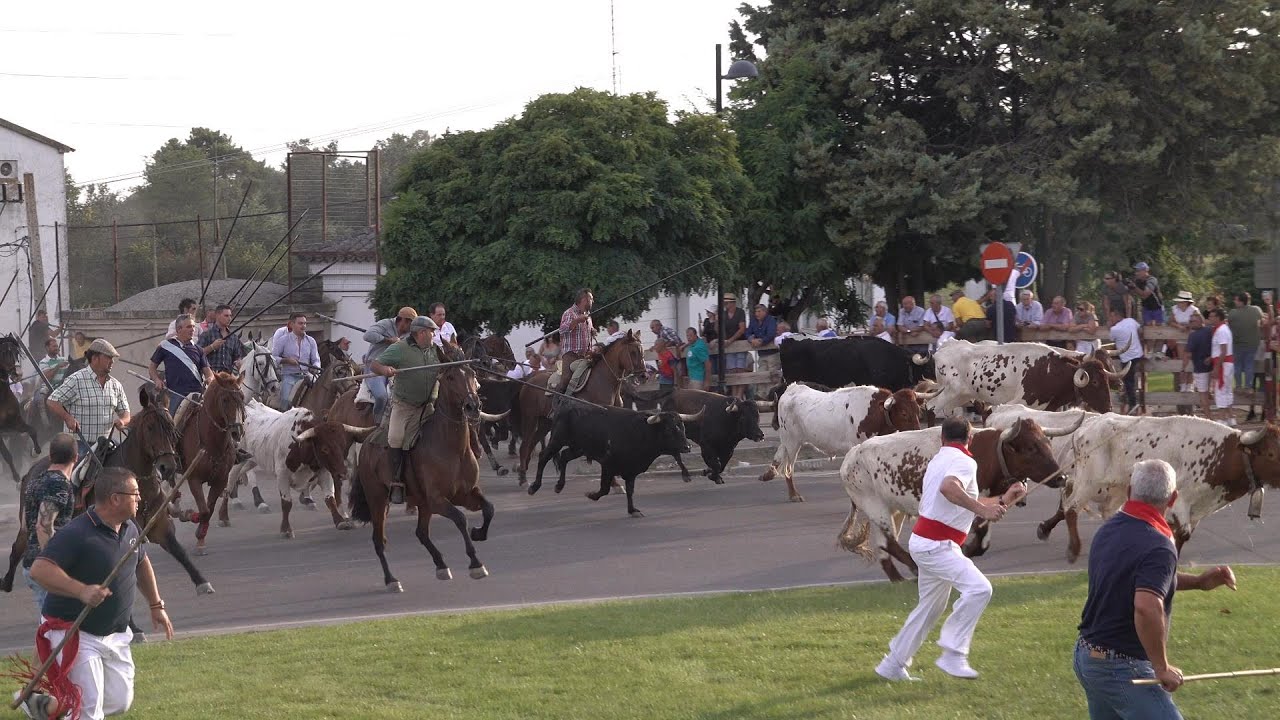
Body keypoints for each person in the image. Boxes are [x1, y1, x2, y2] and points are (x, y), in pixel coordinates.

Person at [1074, 459, 1237, 719]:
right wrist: (1161, 668)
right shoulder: (1158, 545)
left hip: (1088, 657)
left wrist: (1198, 582)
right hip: (1120, 667)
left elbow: (1137, 581)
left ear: (1129, 492)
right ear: (1172, 499)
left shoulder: (1108, 531)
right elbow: (1146, 606)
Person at [875, 417, 1026, 682]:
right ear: (970, 438)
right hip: (937, 545)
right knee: (980, 589)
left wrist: (1004, 499)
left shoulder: (940, 459)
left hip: (927, 542)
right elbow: (950, 489)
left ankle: (892, 664)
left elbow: (961, 497)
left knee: (930, 608)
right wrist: (984, 510)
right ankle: (953, 654)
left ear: (942, 438)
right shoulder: (964, 461)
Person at [19, 467, 174, 720]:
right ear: (115, 498)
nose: (140, 498)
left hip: (115, 635)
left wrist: (156, 605)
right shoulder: (77, 533)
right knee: (90, 710)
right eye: (135, 493)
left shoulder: (130, 528)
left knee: (119, 701)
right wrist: (81, 591)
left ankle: (41, 707)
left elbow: (141, 561)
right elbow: (39, 569)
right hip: (75, 632)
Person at [370, 315, 440, 505]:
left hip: (429, 406)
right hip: (405, 406)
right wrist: (385, 371)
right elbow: (375, 364)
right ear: (422, 333)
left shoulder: (436, 350)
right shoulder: (400, 349)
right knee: (395, 438)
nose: (434, 335)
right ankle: (396, 482)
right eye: (432, 332)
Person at [20, 433, 77, 620]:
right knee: (56, 626)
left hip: (31, 562)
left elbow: (24, 525)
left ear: (50, 456)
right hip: (45, 565)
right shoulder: (58, 484)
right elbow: (43, 526)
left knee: (50, 626)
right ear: (75, 458)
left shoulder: (35, 482)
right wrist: (54, 564)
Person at [46, 339, 130, 457]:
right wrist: (68, 418)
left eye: (113, 358)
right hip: (78, 445)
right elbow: (52, 401)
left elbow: (125, 413)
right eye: (108, 358)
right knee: (78, 474)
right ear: (95, 358)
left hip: (104, 445)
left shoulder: (116, 385)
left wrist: (122, 421)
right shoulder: (76, 380)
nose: (112, 362)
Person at [149, 314, 214, 415]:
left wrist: (209, 379)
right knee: (170, 425)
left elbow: (208, 373)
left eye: (193, 327)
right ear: (179, 329)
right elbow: (152, 367)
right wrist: (157, 380)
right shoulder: (165, 346)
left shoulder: (199, 350)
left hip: (196, 395)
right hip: (175, 394)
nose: (192, 329)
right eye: (189, 327)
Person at [361, 307, 417, 420]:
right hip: (375, 367)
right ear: (403, 321)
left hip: (396, 369)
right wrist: (388, 340)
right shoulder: (385, 324)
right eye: (411, 324)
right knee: (381, 396)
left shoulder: (409, 334)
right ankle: (377, 422)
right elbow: (367, 335)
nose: (412, 328)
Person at [272, 312, 321, 411]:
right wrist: (286, 360)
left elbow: (316, 360)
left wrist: (315, 367)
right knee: (285, 399)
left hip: (306, 375)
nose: (303, 326)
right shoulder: (282, 340)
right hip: (289, 375)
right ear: (291, 324)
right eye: (300, 323)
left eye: (305, 323)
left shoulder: (311, 341)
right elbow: (273, 358)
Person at [554, 289, 597, 394]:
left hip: (586, 355)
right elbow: (562, 330)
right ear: (584, 300)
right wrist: (577, 320)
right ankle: (559, 401)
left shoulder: (588, 315)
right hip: (571, 355)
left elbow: (586, 331)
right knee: (566, 379)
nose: (593, 301)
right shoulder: (569, 313)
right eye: (591, 299)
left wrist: (592, 331)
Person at [1108, 307, 1145, 415]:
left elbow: (1111, 339)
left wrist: (1109, 326)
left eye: (1111, 316)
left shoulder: (1114, 329)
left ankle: (1133, 405)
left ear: (1116, 316)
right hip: (1138, 354)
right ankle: (1137, 405)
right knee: (1134, 381)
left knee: (1129, 383)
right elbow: (1140, 330)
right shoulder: (1131, 321)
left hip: (1127, 358)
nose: (1110, 319)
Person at [1227, 292, 1264, 393]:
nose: (1234, 301)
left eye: (1236, 300)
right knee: (1249, 365)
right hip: (1252, 344)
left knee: (1237, 365)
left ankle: (1238, 386)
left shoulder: (1233, 313)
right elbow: (1263, 321)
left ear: (1241, 301)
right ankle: (1249, 387)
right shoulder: (1256, 310)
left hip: (1237, 344)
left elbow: (1228, 324)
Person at [196, 304, 244, 375]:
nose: (229, 318)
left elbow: (238, 357)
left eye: (230, 316)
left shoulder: (233, 338)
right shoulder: (207, 334)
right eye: (226, 316)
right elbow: (197, 354)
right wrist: (212, 347)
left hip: (228, 378)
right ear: (217, 316)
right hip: (211, 376)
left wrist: (238, 362)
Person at [717, 293, 749, 398]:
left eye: (727, 303)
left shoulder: (740, 312)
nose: (725, 305)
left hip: (739, 343)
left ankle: (739, 395)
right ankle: (734, 395)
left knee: (740, 369)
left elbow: (742, 329)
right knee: (732, 371)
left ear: (732, 303)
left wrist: (730, 340)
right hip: (729, 345)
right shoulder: (723, 314)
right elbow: (719, 330)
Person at [1167, 291, 1200, 393]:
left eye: (1181, 301)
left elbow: (1200, 322)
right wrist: (1179, 326)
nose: (1179, 303)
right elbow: (1170, 321)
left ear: (1186, 302)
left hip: (1192, 337)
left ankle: (1190, 384)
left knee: (1190, 360)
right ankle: (1183, 384)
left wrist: (1189, 326)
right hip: (1180, 337)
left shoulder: (1194, 310)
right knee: (1182, 361)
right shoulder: (1175, 310)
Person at [1182, 312, 1213, 418]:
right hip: (1213, 367)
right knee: (1208, 392)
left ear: (1199, 321)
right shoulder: (1210, 330)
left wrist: (1183, 368)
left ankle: (1209, 418)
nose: (1190, 323)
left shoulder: (1193, 336)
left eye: (1192, 321)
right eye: (1190, 321)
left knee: (1202, 395)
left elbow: (1187, 354)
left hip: (1200, 368)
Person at [745, 304, 779, 397]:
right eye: (756, 311)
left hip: (772, 353)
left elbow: (771, 334)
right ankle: (761, 396)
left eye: (759, 311)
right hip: (762, 353)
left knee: (772, 374)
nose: (757, 314)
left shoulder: (771, 320)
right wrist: (751, 339)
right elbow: (747, 332)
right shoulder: (753, 321)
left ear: (765, 312)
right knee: (761, 374)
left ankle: (772, 396)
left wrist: (761, 341)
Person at [1209, 307, 1235, 425]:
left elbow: (1223, 351)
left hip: (1223, 362)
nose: (1210, 318)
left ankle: (1222, 418)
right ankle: (1230, 417)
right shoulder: (1222, 329)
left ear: (1218, 318)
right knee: (1227, 390)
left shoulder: (1221, 331)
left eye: (1212, 316)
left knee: (1221, 389)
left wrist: (1216, 367)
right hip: (1225, 362)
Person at [1130, 262, 1164, 327]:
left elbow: (1145, 294)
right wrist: (1129, 287)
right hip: (1146, 307)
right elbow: (1133, 294)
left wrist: (1134, 287)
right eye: (1136, 271)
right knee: (1147, 327)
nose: (1137, 273)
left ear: (1145, 270)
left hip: (1157, 307)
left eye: (1139, 271)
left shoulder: (1152, 280)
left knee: (1159, 327)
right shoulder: (1137, 281)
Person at [684, 327, 709, 391]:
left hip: (698, 378)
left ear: (695, 335)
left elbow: (707, 363)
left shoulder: (699, 347)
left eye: (691, 335)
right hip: (691, 376)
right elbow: (690, 342)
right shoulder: (693, 344)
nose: (688, 338)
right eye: (687, 336)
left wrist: (707, 382)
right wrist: (684, 346)